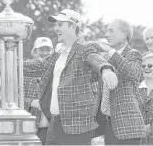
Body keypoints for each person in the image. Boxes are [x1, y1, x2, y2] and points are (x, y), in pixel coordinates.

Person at [23, 9, 118, 145]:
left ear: (73, 26)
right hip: (54, 125)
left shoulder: (84, 48)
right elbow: (35, 65)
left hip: (76, 127)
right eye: (56, 25)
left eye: (60, 24)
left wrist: (106, 69)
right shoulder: (57, 55)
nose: (56, 28)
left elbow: (95, 58)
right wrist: (8, 60)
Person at [97, 19, 146, 145]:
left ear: (124, 35)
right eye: (107, 31)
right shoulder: (105, 59)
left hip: (128, 126)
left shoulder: (133, 54)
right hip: (108, 124)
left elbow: (133, 74)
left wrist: (110, 52)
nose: (106, 34)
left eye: (111, 31)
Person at [27, 37, 54, 145]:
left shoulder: (58, 71)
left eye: (48, 50)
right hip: (33, 129)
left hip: (54, 129)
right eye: (41, 50)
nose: (45, 53)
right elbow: (16, 98)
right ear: (35, 52)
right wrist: (31, 103)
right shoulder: (26, 72)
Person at [138, 53, 153, 145]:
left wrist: (151, 128)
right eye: (143, 66)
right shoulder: (134, 89)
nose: (146, 68)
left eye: (150, 65)